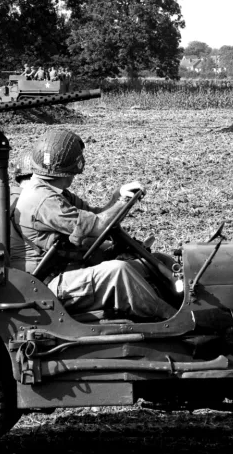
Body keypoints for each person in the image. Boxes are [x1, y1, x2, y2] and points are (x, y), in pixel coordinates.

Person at [14, 129, 174, 321]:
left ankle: (184, 301)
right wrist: (122, 203)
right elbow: (98, 225)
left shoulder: (52, 191)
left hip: (65, 273)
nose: (75, 175)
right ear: (68, 169)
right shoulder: (42, 200)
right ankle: (173, 321)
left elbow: (96, 214)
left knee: (154, 261)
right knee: (118, 271)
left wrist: (118, 196)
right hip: (47, 286)